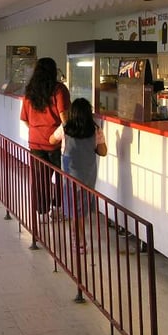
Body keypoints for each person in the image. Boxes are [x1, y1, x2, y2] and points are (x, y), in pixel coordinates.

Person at [49, 98, 107, 253]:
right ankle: (79, 239)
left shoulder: (65, 127)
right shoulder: (95, 130)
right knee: (81, 209)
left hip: (69, 175)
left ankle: (78, 240)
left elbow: (51, 139)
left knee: (74, 208)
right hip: (88, 175)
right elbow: (103, 152)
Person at [20, 57, 70, 221]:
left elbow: (25, 119)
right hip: (56, 142)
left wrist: (37, 131)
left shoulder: (30, 92)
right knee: (61, 176)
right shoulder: (58, 89)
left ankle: (41, 213)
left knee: (40, 179)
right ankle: (57, 207)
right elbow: (64, 117)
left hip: (35, 142)